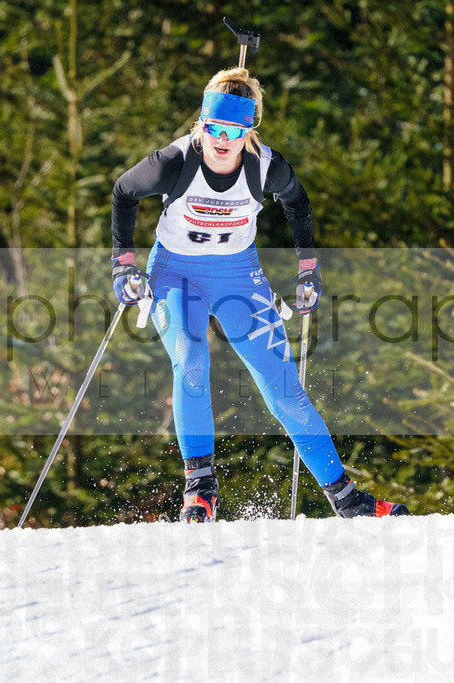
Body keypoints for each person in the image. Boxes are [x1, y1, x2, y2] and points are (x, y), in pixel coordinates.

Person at [110, 67, 410, 522]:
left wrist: (307, 270)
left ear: (249, 130)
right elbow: (123, 192)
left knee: (284, 389)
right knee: (190, 358)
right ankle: (200, 488)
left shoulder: (266, 167)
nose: (222, 140)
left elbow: (299, 205)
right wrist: (123, 263)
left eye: (234, 130)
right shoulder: (174, 161)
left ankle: (347, 499)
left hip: (237, 276)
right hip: (176, 273)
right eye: (213, 128)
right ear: (201, 124)